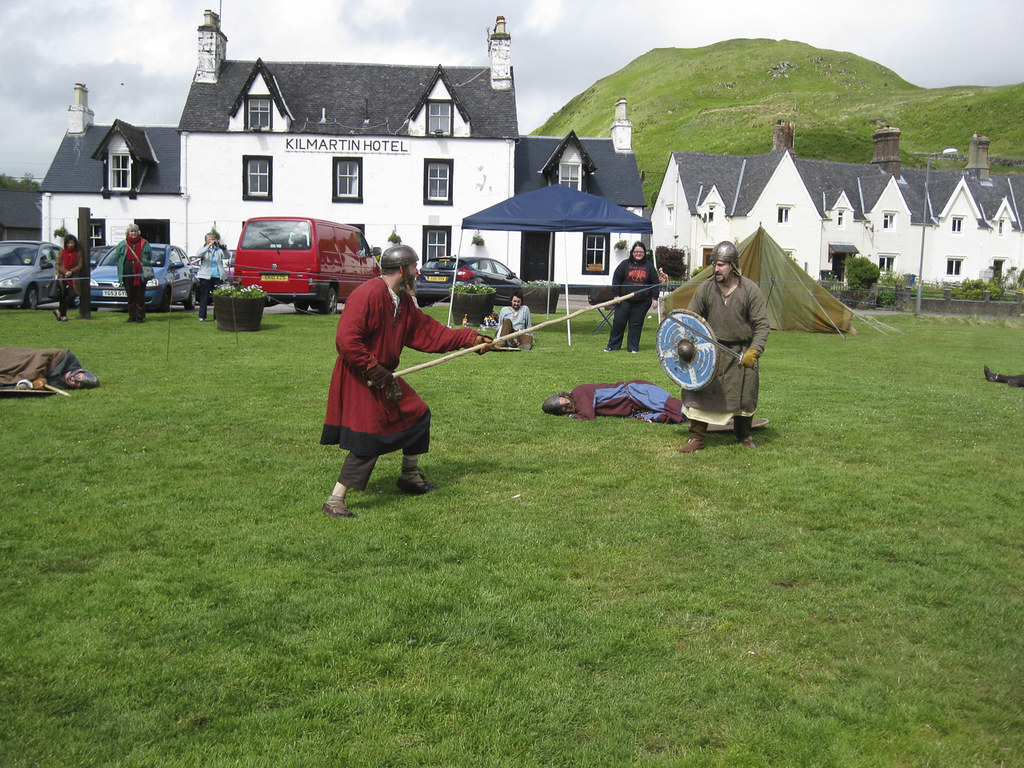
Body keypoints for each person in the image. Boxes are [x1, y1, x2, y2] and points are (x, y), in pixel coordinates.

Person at [320, 244, 494, 518]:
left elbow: (429, 332)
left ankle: (409, 475)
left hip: (384, 375)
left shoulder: (401, 300)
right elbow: (346, 340)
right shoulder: (366, 295)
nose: (418, 271)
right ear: (402, 270)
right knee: (369, 436)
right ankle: (335, 499)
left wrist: (469, 338)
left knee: (418, 414)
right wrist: (372, 369)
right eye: (414, 266)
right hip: (360, 375)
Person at [679, 240, 770, 452]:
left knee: (743, 395)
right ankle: (697, 438)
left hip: (740, 352)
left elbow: (762, 325)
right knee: (699, 392)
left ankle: (743, 436)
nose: (716, 268)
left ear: (733, 265)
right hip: (710, 351)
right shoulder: (706, 288)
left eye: (721, 264)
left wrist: (754, 351)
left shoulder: (750, 290)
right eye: (714, 264)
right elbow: (692, 319)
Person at [604, 241, 666, 353]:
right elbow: (616, 279)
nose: (638, 254)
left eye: (641, 252)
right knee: (619, 322)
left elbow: (654, 283)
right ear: (632, 252)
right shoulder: (624, 264)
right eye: (636, 251)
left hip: (642, 302)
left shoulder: (649, 266)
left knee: (636, 324)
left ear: (644, 253)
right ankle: (613, 345)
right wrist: (616, 295)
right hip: (624, 299)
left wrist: (655, 299)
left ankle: (633, 347)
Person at [542, 380, 684, 422]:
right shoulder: (577, 403)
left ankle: (701, 417)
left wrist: (572, 415)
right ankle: (694, 420)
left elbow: (588, 416)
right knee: (661, 417)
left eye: (564, 401)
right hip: (633, 409)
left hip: (636, 392)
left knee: (672, 406)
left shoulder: (579, 393)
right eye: (563, 408)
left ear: (565, 395)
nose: (567, 406)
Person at [0, 347, 99, 390]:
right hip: (25, 358)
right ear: (79, 371)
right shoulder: (65, 357)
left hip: (25, 375)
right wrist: (36, 373)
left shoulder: (59, 385)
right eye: (78, 377)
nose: (73, 379)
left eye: (76, 383)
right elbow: (42, 356)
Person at [113, 223, 152, 323]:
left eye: (135, 231)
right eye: (131, 231)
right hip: (127, 272)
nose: (133, 233)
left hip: (141, 273)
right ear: (128, 233)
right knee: (130, 295)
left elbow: (149, 256)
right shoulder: (123, 244)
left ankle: (140, 316)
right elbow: (118, 257)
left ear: (138, 232)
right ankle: (131, 316)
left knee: (140, 295)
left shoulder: (144, 243)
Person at [194, 231, 228, 322]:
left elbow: (227, 256)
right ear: (206, 241)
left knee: (217, 297)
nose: (212, 241)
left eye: (213, 239)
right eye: (210, 240)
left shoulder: (218, 250)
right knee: (204, 296)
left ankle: (217, 317)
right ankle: (202, 316)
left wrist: (223, 247)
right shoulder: (204, 248)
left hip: (217, 275)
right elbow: (198, 255)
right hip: (205, 276)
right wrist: (208, 246)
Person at [54, 234, 83, 322]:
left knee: (72, 295)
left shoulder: (78, 253)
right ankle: (63, 315)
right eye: (69, 243)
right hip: (63, 278)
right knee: (63, 297)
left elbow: (80, 265)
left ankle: (59, 311)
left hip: (73, 279)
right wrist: (65, 271)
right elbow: (57, 264)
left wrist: (71, 271)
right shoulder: (61, 252)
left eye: (72, 243)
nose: (70, 245)